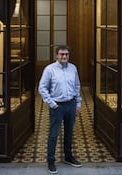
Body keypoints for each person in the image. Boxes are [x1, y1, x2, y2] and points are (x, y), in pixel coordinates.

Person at [38, 45, 82, 174]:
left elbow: (77, 86)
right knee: (54, 134)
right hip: (57, 106)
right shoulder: (49, 70)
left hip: (71, 104)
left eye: (66, 54)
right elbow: (42, 88)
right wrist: (52, 103)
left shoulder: (73, 68)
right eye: (62, 54)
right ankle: (51, 161)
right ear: (56, 55)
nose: (64, 57)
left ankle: (68, 157)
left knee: (69, 133)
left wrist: (78, 104)